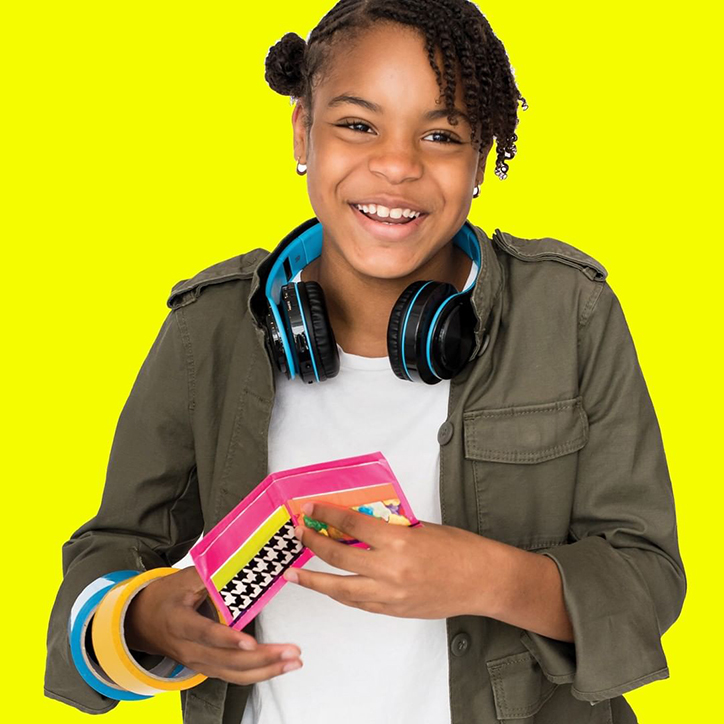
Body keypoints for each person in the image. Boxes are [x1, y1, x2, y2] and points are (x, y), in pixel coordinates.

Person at [44, 1, 686, 723]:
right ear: (302, 133)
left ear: (480, 160)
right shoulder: (209, 331)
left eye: (441, 134)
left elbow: (648, 577)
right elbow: (111, 550)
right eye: (357, 124)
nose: (396, 165)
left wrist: (493, 579)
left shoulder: (568, 314)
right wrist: (146, 620)